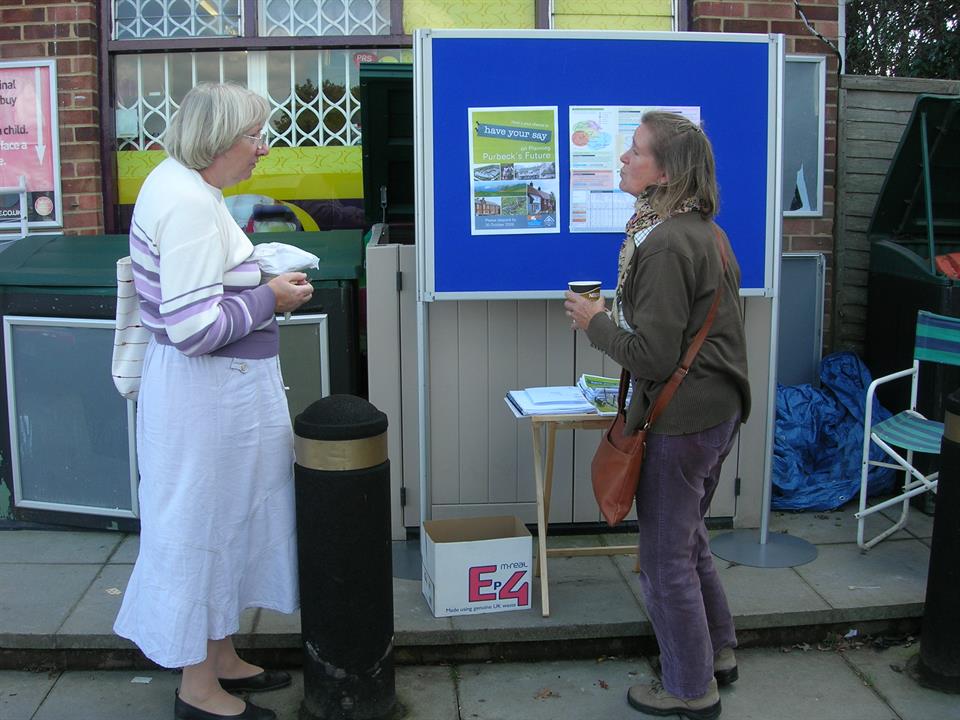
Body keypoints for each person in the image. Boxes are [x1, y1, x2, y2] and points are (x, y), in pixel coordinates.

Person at [114, 83, 314, 720]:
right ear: (219, 141)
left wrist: (255, 273)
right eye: (255, 135)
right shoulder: (191, 205)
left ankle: (220, 655)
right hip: (207, 396)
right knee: (200, 527)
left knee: (227, 521)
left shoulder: (182, 186)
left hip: (214, 395)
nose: (263, 147)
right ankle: (197, 691)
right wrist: (271, 297)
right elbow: (193, 329)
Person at [564, 111, 751, 720]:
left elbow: (654, 355)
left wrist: (595, 325)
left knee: (665, 558)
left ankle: (690, 688)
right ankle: (717, 652)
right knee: (689, 540)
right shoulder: (703, 231)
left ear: (665, 172)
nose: (621, 159)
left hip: (682, 422)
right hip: (714, 411)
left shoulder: (667, 243)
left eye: (634, 151)